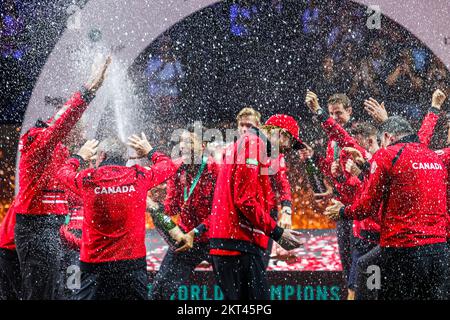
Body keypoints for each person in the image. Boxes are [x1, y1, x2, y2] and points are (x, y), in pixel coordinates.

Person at [13, 56, 111, 300]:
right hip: (35, 229)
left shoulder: (60, 152)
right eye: (79, 126)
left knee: (58, 293)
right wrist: (89, 89)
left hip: (52, 228)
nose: (83, 132)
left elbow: (70, 192)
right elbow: (61, 124)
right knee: (43, 295)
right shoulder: (39, 140)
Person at [325, 116, 449, 300]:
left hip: (402, 249)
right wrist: (367, 167)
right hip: (440, 251)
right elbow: (400, 181)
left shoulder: (387, 154)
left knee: (365, 268)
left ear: (386, 137)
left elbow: (366, 206)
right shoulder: (432, 156)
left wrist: (342, 212)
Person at [57, 134, 178, 300]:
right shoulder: (139, 177)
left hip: (94, 267)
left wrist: (79, 156)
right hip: (132, 266)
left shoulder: (88, 179)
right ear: (127, 157)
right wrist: (151, 151)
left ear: (101, 156)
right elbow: (168, 166)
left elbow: (62, 172)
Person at [209, 114, 303, 300]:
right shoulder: (254, 145)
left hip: (232, 242)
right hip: (238, 245)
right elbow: (245, 200)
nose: (288, 150)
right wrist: (277, 233)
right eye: (290, 144)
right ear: (282, 134)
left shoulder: (247, 144)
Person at [150, 131, 220, 300]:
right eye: (181, 143)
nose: (183, 146)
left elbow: (220, 212)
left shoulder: (215, 169)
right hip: (185, 239)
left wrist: (195, 232)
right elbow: (172, 208)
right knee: (159, 290)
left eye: (189, 142)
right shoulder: (177, 169)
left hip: (213, 238)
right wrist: (154, 206)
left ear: (203, 146)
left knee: (236, 289)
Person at [304, 90, 356, 297]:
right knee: (346, 258)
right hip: (340, 206)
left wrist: (318, 111)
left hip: (358, 207)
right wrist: (314, 157)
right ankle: (352, 293)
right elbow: (331, 170)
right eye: (331, 113)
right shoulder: (331, 141)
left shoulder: (354, 133)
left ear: (350, 111)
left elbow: (354, 173)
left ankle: (358, 293)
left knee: (359, 258)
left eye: (339, 113)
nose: (335, 118)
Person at [0, 201, 21, 300]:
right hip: (11, 251)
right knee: (21, 293)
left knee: (6, 293)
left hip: (4, 248)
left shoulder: (20, 200)